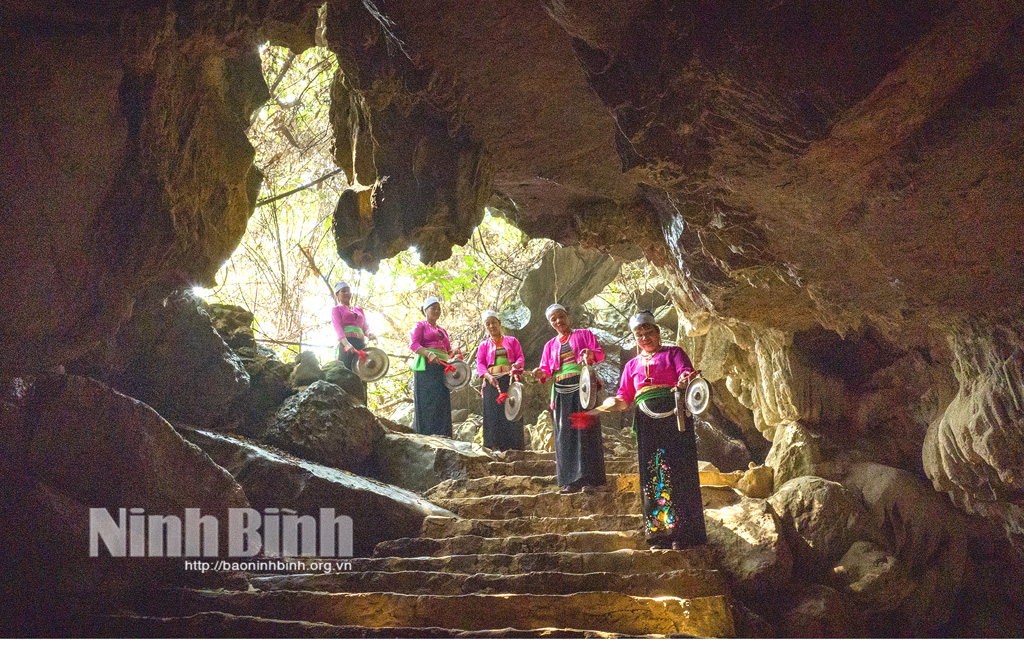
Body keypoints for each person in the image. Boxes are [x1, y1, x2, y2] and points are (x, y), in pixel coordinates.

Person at [602, 310, 707, 550]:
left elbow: (684, 374)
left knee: (679, 469)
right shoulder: (631, 365)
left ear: (658, 333)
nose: (644, 338)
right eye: (639, 334)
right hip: (646, 421)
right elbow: (624, 397)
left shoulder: (674, 353)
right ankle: (659, 534)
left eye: (648, 332)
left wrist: (683, 380)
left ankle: (684, 533)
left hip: (674, 415)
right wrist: (612, 403)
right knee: (654, 474)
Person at [531, 304, 606, 493]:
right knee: (564, 433)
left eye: (561, 316)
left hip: (583, 386)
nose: (558, 321)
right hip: (561, 389)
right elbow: (546, 371)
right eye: (553, 319)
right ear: (550, 323)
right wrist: (540, 372)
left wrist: (590, 355)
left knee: (585, 429)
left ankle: (589, 478)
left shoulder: (585, 334)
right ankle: (569, 480)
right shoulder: (549, 345)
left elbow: (600, 354)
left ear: (568, 316)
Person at [409, 296, 458, 437]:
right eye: (433, 308)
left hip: (442, 367)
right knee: (427, 400)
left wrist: (453, 352)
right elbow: (414, 344)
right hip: (427, 368)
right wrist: (428, 353)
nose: (436, 311)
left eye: (438, 309)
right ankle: (426, 433)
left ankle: (443, 433)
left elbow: (447, 352)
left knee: (441, 400)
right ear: (425, 310)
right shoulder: (420, 326)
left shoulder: (442, 330)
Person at [477, 310, 525, 451]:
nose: (491, 326)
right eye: (488, 324)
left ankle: (515, 445)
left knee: (513, 409)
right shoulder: (484, 345)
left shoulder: (512, 341)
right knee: (493, 413)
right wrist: (488, 376)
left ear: (499, 323)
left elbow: (520, 357)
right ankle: (494, 445)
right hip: (492, 382)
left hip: (509, 379)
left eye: (493, 322)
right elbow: (480, 364)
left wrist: (517, 365)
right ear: (486, 328)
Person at [331, 281, 376, 372]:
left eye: (348, 291)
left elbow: (365, 326)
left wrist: (369, 333)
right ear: (337, 294)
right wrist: (346, 344)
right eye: (343, 291)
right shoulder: (336, 309)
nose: (347, 293)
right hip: (346, 343)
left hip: (360, 343)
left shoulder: (359, 310)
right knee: (346, 372)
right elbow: (338, 327)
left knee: (362, 371)